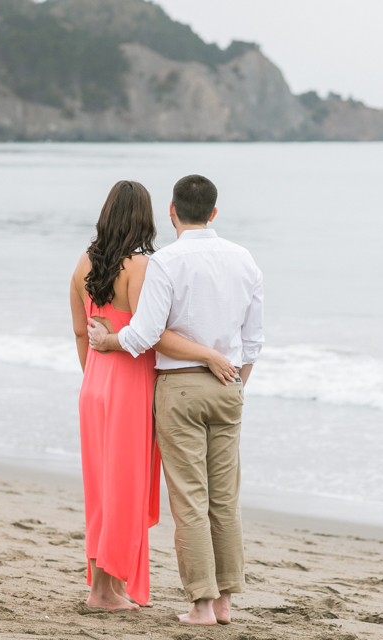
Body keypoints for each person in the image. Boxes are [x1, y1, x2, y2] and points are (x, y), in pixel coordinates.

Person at [88, 174, 264, 625]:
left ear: (172, 211)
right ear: (214, 212)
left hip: (180, 388)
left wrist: (108, 344)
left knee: (190, 498)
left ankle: (202, 604)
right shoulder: (245, 260)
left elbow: (146, 335)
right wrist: (235, 380)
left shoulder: (165, 262)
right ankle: (226, 602)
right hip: (229, 387)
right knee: (225, 499)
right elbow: (253, 340)